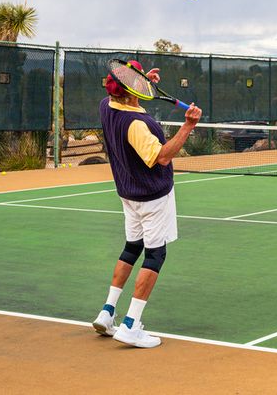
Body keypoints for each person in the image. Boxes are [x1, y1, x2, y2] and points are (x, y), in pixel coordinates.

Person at [91, 60, 202, 348]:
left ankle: (107, 312)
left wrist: (143, 82)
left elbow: (124, 93)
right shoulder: (136, 125)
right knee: (155, 256)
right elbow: (162, 156)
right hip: (152, 197)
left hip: (128, 194)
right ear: (129, 92)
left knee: (132, 247)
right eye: (135, 80)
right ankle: (130, 324)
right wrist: (188, 126)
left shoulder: (107, 105)